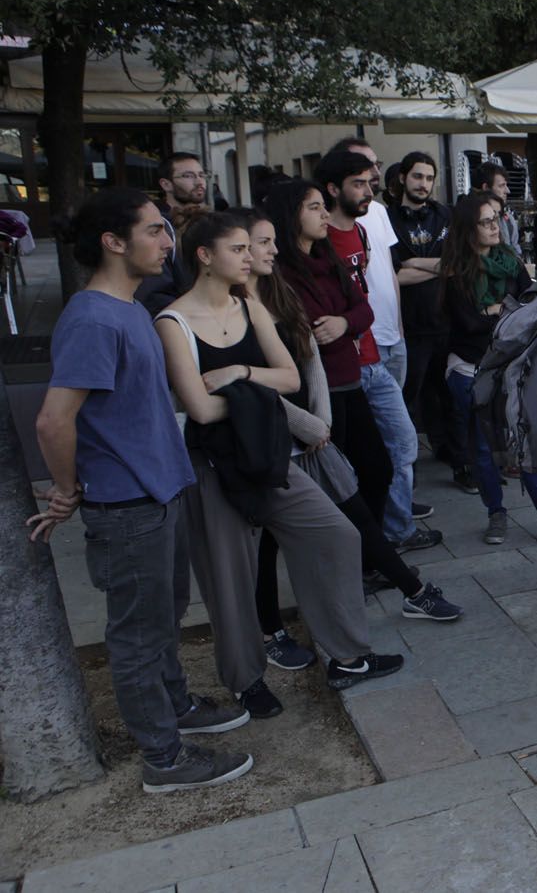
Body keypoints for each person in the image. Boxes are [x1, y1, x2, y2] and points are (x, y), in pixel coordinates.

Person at [29, 188, 251, 794]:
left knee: (165, 617)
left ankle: (175, 706)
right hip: (125, 507)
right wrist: (67, 491)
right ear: (113, 241)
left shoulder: (128, 309)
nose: (167, 240)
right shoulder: (93, 318)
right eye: (154, 230)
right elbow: (53, 420)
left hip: (160, 492)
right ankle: (163, 758)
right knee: (137, 635)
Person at [156, 212, 407, 706]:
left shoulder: (248, 304)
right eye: (238, 249)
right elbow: (201, 410)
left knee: (336, 533)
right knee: (230, 580)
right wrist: (258, 390)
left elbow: (290, 378)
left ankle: (348, 654)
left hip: (268, 454)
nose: (250, 257)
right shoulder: (172, 321)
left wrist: (237, 373)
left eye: (250, 249)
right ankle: (247, 681)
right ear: (205, 257)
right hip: (214, 465)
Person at [242, 209, 461, 668]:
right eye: (253, 245)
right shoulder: (236, 307)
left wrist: (317, 422)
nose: (267, 253)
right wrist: (309, 426)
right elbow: (253, 388)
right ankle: (274, 632)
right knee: (270, 541)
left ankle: (409, 590)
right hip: (271, 439)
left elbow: (308, 361)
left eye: (262, 244)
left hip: (314, 426)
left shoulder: (276, 292)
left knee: (355, 504)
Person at [317, 149, 442, 553]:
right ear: (334, 189)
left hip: (379, 347)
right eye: (358, 183)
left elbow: (372, 288)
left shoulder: (364, 229)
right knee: (360, 458)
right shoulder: (319, 240)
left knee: (403, 444)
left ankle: (395, 530)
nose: (368, 190)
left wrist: (389, 323)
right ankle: (371, 539)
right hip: (342, 366)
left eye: (370, 182)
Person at [266, 179, 399, 558]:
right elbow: (299, 326)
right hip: (314, 393)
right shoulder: (279, 273)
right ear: (290, 215)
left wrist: (344, 323)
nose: (325, 214)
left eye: (324, 206)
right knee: (334, 486)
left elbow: (364, 309)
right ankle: (353, 559)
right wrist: (340, 324)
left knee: (377, 469)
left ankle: (368, 556)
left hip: (350, 380)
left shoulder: (330, 261)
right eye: (314, 207)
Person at [438, 192, 537, 544]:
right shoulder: (456, 271)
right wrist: (507, 311)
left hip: (513, 365)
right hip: (470, 367)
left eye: (497, 218)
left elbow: (531, 308)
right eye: (486, 221)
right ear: (468, 229)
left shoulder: (509, 260)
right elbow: (468, 323)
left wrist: (499, 311)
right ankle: (496, 515)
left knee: (522, 437)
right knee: (485, 448)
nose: (494, 226)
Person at [387, 151, 466, 489]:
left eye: (429, 178)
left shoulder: (445, 215)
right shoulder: (385, 219)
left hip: (445, 321)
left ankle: (460, 463)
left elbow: (455, 264)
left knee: (451, 399)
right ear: (403, 178)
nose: (423, 184)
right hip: (408, 325)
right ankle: (407, 475)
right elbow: (391, 274)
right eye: (417, 176)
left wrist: (412, 264)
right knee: (406, 401)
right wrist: (431, 265)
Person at [134, 152, 210, 314]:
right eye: (188, 176)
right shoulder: (158, 226)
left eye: (201, 175)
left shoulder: (211, 221)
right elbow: (154, 293)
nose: (199, 181)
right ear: (166, 184)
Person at [476, 161, 523, 258]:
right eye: (501, 186)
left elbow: (516, 251)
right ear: (486, 187)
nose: (507, 191)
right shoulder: (467, 217)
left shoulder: (508, 218)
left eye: (496, 218)